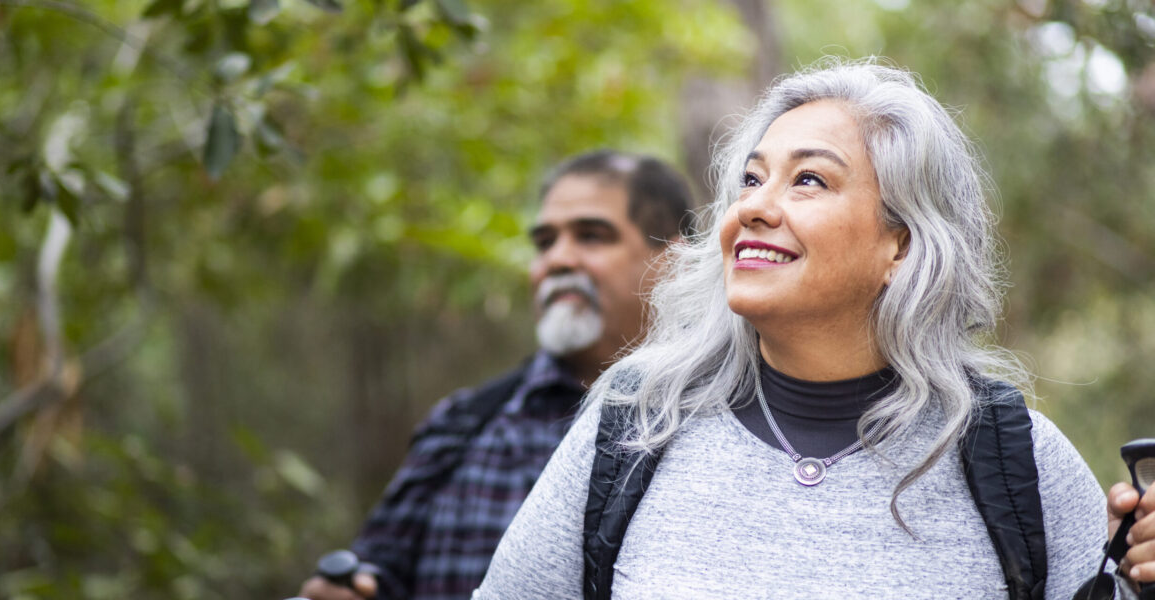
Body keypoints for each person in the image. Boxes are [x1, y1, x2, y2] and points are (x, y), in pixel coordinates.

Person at [474, 59, 1155, 598]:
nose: (755, 208)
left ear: (903, 246)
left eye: (808, 181)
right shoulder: (636, 419)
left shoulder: (1013, 455)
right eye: (750, 179)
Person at [296, 150, 694, 600]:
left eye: (591, 236)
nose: (557, 260)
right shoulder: (463, 425)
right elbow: (378, 573)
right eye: (545, 242)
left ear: (675, 260)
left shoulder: (736, 425)